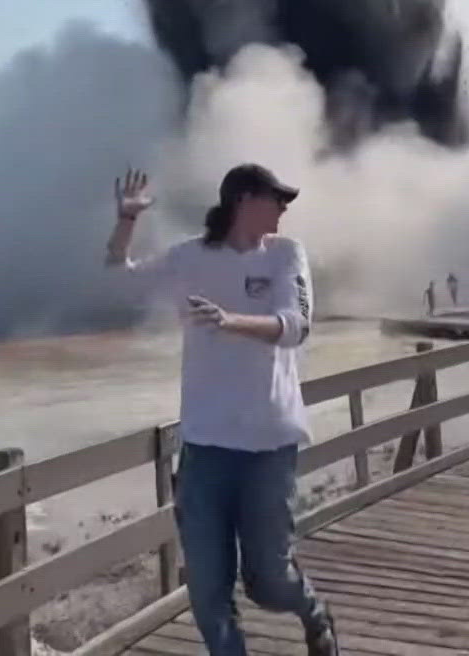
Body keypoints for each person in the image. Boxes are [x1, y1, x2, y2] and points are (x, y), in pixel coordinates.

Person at [106, 164, 340, 656]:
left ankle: (314, 614)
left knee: (269, 580)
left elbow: (297, 326)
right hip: (206, 448)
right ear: (244, 200)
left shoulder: (286, 255)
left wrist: (228, 320)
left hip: (268, 446)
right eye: (277, 199)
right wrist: (127, 222)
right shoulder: (190, 257)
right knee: (209, 589)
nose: (284, 209)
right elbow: (119, 279)